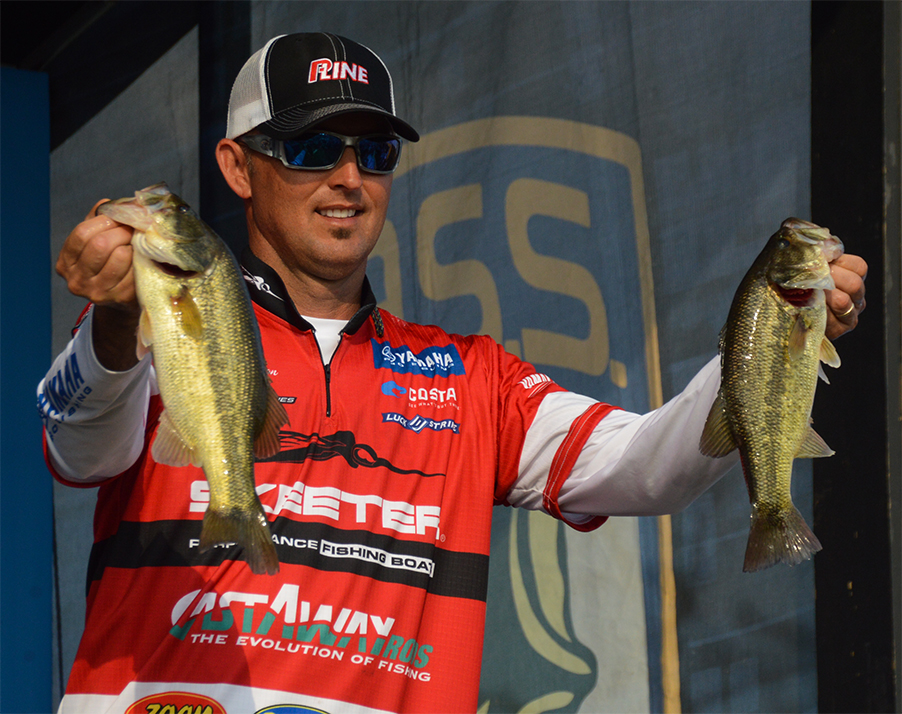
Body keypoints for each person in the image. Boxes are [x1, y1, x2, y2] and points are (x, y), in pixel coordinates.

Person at [38, 32, 867, 714]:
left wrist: (774, 339)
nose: (349, 178)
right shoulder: (165, 323)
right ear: (236, 166)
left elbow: (647, 465)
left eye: (375, 153)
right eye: (312, 147)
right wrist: (113, 321)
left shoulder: (472, 376)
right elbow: (78, 449)